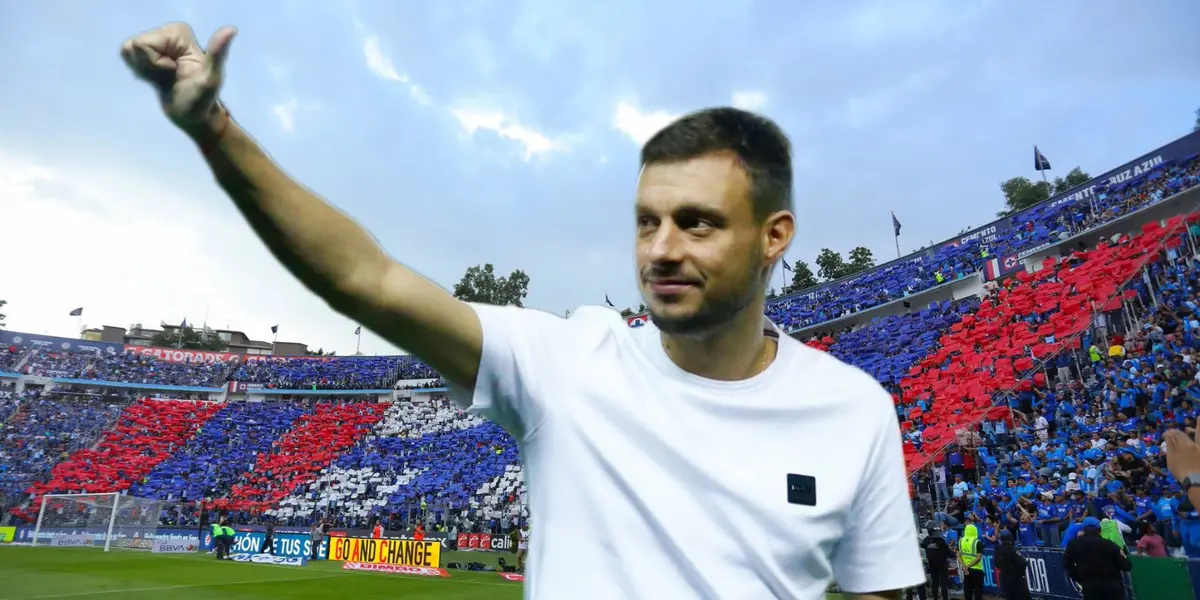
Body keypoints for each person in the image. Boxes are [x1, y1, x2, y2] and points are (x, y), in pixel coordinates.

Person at [120, 22, 923, 599]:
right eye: (647, 220)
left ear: (774, 234)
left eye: (698, 222)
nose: (661, 249)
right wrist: (213, 129)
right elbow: (363, 278)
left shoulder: (852, 411)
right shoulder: (565, 363)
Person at [1063, 517, 1131, 600]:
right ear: (1099, 530)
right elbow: (1126, 565)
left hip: (1089, 585)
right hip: (1112, 586)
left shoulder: (1073, 544)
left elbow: (1067, 564)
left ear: (1083, 529)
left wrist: (1078, 577)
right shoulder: (1109, 544)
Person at [992, 530, 1030, 600]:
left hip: (1004, 578)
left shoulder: (998, 549)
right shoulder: (1013, 549)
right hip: (1016, 579)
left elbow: (996, 564)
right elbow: (1022, 563)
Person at [918, 524, 952, 600]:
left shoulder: (926, 540)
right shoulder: (941, 540)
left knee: (935, 584)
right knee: (943, 584)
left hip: (932, 565)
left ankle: (935, 598)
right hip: (942, 565)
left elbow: (923, 547)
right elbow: (948, 552)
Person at [958, 524, 985, 600]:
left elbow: (958, 556)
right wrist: (968, 566)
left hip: (966, 570)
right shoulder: (977, 542)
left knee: (967, 589)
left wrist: (964, 567)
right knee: (978, 590)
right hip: (977, 569)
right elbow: (978, 557)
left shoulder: (960, 541)